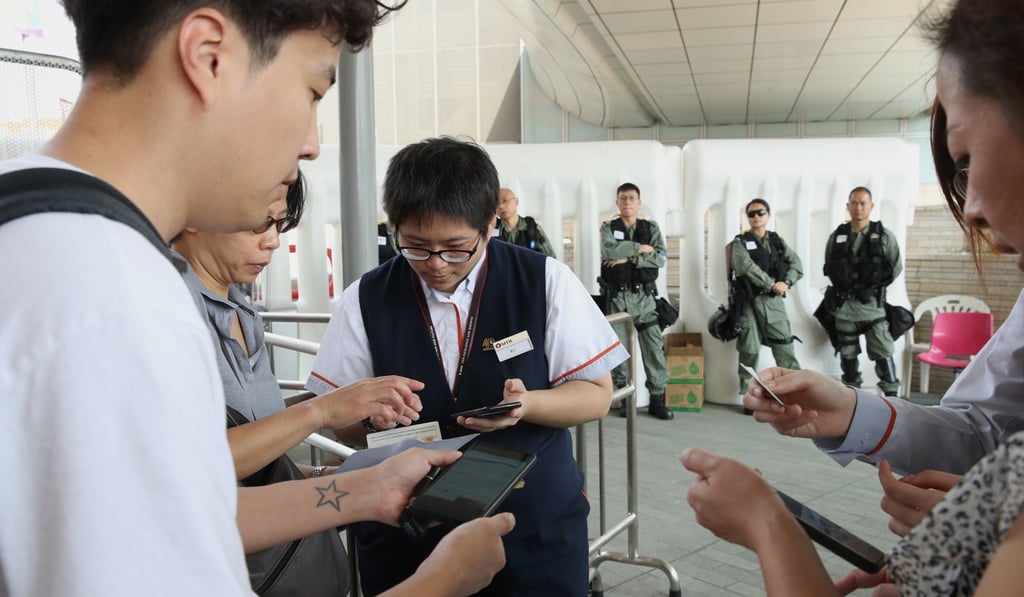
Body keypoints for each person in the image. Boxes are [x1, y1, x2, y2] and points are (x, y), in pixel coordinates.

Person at [0, 3, 513, 595]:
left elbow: (182, 509)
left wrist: (369, 489)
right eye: (312, 90)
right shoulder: (118, 304)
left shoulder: (43, 235)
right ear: (208, 56)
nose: (312, 144)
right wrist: (440, 583)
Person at [694, 1, 1024, 593]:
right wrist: (849, 411)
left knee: (875, 362)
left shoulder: (876, 238)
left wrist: (771, 528)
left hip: (858, 306)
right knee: (845, 372)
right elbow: (992, 430)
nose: (971, 207)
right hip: (817, 308)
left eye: (968, 158)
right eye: (957, 172)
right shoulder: (769, 241)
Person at [307, 136, 628, 596]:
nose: (436, 265)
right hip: (408, 531)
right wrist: (372, 425)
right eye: (415, 246)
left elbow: (596, 395)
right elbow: (345, 425)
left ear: (491, 223)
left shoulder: (544, 280)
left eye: (456, 248)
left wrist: (528, 404)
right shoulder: (366, 298)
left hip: (531, 526)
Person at [599, 182, 673, 420]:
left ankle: (657, 399)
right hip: (618, 300)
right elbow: (609, 251)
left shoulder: (650, 227)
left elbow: (660, 258)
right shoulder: (608, 227)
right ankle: (624, 399)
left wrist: (628, 260)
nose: (627, 202)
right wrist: (640, 249)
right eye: (623, 198)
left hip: (645, 300)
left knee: (654, 350)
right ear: (617, 202)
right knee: (618, 351)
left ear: (638, 202)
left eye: (631, 198)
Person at [822, 186, 903, 396]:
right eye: (854, 203)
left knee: (883, 352)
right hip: (844, 309)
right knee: (847, 356)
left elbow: (895, 267)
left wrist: (872, 287)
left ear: (871, 206)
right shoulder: (837, 236)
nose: (858, 207)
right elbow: (829, 264)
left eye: (862, 203)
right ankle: (852, 400)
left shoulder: (885, 236)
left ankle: (893, 400)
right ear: (847, 206)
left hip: (872, 309)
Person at [731, 199, 802, 410]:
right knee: (749, 348)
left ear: (768, 215)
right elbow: (745, 267)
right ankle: (748, 394)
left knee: (784, 345)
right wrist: (771, 284)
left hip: (771, 302)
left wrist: (786, 282)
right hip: (748, 302)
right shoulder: (740, 242)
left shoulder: (777, 241)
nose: (755, 217)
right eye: (751, 214)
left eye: (760, 213)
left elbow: (796, 264)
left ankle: (796, 392)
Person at [494, 187, 556, 256]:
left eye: (505, 201)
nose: (501, 206)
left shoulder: (532, 228)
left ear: (516, 202)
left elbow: (550, 258)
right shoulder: (492, 229)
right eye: (497, 203)